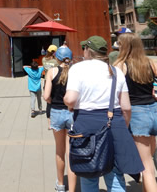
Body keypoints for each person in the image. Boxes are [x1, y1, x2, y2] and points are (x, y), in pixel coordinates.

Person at [64, 35, 143, 192]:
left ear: (88, 51)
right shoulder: (115, 71)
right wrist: (122, 126)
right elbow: (126, 107)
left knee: (88, 174)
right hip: (114, 123)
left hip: (86, 123)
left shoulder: (77, 69)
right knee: (115, 176)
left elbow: (71, 99)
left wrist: (66, 101)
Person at [114, 33, 157, 192]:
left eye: (119, 44)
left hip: (137, 115)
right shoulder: (151, 64)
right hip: (154, 112)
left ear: (124, 46)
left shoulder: (120, 65)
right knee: (148, 161)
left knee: (146, 167)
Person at [43, 46, 76, 192]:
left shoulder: (51, 71)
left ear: (57, 58)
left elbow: (45, 96)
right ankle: (73, 188)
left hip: (56, 112)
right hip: (72, 112)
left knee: (59, 151)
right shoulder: (75, 72)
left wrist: (52, 102)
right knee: (72, 152)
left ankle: (61, 184)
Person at [42, 44, 59, 128]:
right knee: (55, 100)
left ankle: (49, 123)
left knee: (48, 101)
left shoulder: (44, 59)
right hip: (55, 81)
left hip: (46, 81)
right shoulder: (56, 61)